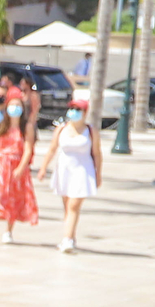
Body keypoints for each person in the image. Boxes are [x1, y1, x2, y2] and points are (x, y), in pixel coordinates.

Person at [0, 89, 39, 244]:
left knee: (12, 198)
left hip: (16, 166)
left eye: (18, 105)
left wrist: (21, 167)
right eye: (12, 105)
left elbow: (28, 149)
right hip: (1, 165)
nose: (15, 109)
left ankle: (8, 231)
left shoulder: (26, 128)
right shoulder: (1, 126)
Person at [39, 98, 99, 253]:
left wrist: (98, 173)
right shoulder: (61, 129)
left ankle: (66, 240)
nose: (73, 112)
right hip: (65, 170)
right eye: (72, 108)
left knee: (74, 205)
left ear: (85, 113)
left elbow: (97, 154)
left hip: (82, 170)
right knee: (67, 207)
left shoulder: (91, 132)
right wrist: (43, 168)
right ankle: (70, 236)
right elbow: (52, 149)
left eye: (78, 109)